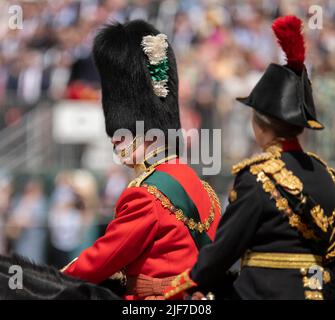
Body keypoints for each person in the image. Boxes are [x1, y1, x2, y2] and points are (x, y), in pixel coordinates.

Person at [164, 16, 335, 300]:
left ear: (260, 124)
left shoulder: (258, 177)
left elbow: (223, 250)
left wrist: (178, 285)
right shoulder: (326, 174)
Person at [61, 20, 221, 300]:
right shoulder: (197, 183)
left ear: (143, 133)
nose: (115, 141)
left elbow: (96, 262)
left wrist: (50, 281)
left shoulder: (145, 195)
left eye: (121, 136)